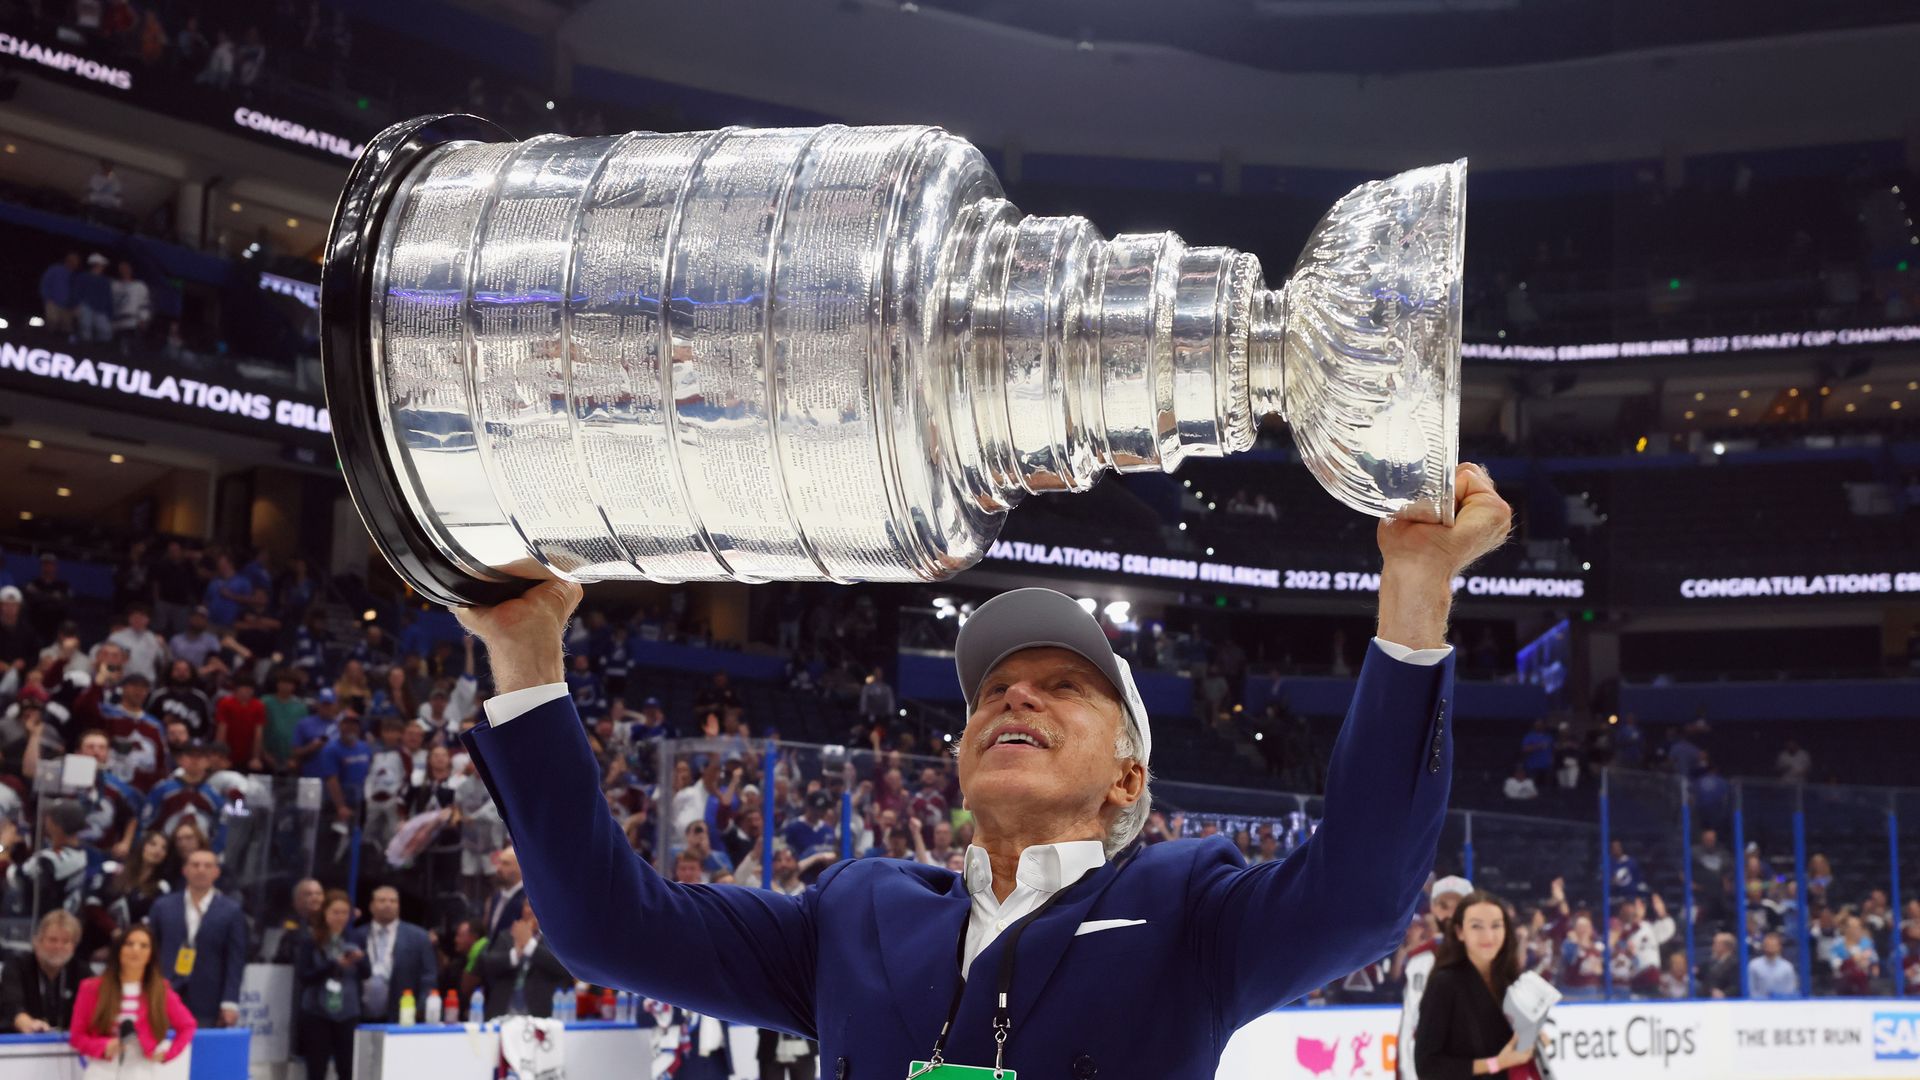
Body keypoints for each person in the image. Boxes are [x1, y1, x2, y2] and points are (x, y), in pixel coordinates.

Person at [450, 462, 1506, 1073]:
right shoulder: (853, 911)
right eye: (995, 688)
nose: (1015, 695)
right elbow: (604, 928)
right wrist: (526, 655)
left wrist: (1414, 595)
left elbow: (1367, 891)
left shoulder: (1190, 906)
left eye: (1066, 686)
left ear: (1128, 778)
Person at [1414, 890, 1541, 1079]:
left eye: (1496, 925)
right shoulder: (1444, 984)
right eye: (1476, 926)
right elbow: (1427, 1067)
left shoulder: (1510, 981)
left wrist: (1532, 1036)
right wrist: (1496, 1063)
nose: (1488, 936)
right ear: (1460, 932)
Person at [69, 925, 196, 1068]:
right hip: (102, 1068)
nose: (136, 950)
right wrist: (104, 1046)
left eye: (144, 946)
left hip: (142, 1069)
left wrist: (168, 1053)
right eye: (129, 944)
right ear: (119, 950)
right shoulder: (91, 988)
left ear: (151, 954)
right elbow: (77, 1036)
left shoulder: (160, 990)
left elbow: (187, 1026)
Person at [150, 849, 248, 1026]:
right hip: (166, 993)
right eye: (195, 865)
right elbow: (151, 951)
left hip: (209, 997)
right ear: (184, 870)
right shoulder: (163, 906)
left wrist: (230, 1001)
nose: (201, 870)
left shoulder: (231, 911)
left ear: (216, 872)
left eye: (208, 866)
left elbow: (235, 960)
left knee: (205, 1049)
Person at [1398, 876, 1472, 1080]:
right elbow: (1410, 1022)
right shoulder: (1420, 960)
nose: (1449, 913)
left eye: (1457, 905)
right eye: (1443, 905)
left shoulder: (1489, 955)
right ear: (1433, 909)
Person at [296, 889, 368, 1080]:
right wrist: (332, 965)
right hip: (317, 1011)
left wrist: (360, 960)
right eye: (335, 912)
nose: (340, 918)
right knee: (317, 1068)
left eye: (344, 913)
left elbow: (366, 973)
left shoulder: (355, 938)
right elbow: (304, 976)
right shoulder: (311, 940)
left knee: (347, 1067)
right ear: (325, 913)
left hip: (348, 1011)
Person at [350, 885, 438, 1023]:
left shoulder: (418, 937)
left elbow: (428, 975)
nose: (388, 905)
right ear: (371, 906)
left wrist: (422, 1007)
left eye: (393, 901)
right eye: (382, 900)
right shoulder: (356, 936)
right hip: (361, 1013)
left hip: (403, 1011)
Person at [0, 910, 89, 1032]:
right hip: (22, 1042)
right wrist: (29, 1024)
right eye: (52, 940)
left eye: (66, 941)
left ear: (74, 946)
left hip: (68, 1043)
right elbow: (12, 1006)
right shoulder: (17, 966)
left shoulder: (82, 971)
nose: (58, 946)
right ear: (37, 941)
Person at [478, 905, 572, 1019]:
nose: (531, 910)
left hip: (540, 1016)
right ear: (522, 910)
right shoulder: (506, 936)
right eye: (528, 905)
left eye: (535, 905)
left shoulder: (554, 940)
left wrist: (529, 946)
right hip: (501, 1013)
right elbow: (487, 965)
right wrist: (515, 954)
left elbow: (564, 968)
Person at [1749, 932, 1798, 999]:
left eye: (1773, 945)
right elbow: (1751, 989)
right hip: (1759, 1005)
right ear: (1763, 946)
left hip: (1782, 1005)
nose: (1770, 947)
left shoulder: (1787, 967)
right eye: (1768, 945)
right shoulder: (1754, 965)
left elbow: (1790, 989)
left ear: (1779, 947)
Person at [1700, 932, 1740, 998]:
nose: (1713, 946)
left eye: (1716, 943)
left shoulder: (1735, 963)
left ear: (1725, 946)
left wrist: (1724, 993)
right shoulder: (1712, 961)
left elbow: (1736, 985)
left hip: (1727, 1002)